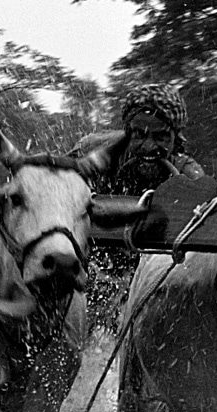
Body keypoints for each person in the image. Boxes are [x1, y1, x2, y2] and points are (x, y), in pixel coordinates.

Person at [82, 83, 206, 332]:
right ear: (127, 134)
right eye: (139, 135)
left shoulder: (187, 171)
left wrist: (168, 209)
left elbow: (209, 207)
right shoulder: (95, 155)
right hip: (95, 269)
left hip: (152, 280)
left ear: (175, 139)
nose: (149, 146)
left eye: (160, 137)